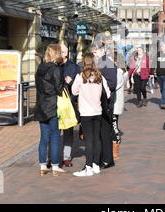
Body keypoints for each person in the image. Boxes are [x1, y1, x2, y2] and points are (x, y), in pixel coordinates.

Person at [72, 53, 111, 177]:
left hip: (85, 112)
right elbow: (108, 94)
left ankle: (88, 167)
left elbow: (74, 91)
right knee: (97, 139)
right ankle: (95, 165)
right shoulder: (100, 76)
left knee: (88, 140)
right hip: (97, 111)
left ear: (84, 62)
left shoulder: (80, 76)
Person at [34, 44, 66, 176]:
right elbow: (59, 89)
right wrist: (65, 82)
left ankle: (42, 165)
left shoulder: (40, 68)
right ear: (57, 54)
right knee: (54, 137)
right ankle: (55, 166)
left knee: (43, 138)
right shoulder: (55, 69)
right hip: (53, 105)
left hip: (41, 105)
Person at [92, 44, 117, 169]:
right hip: (98, 102)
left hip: (106, 103)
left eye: (95, 52)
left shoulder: (107, 63)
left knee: (105, 132)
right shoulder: (99, 63)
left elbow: (112, 84)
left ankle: (107, 159)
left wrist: (96, 82)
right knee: (100, 132)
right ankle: (102, 158)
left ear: (100, 51)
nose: (94, 54)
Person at [59, 43, 80, 168]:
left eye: (59, 51)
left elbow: (76, 86)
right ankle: (53, 157)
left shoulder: (73, 67)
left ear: (65, 54)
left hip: (68, 104)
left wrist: (73, 98)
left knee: (68, 132)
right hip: (55, 104)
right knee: (55, 132)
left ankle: (66, 157)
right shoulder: (53, 66)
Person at [113, 52, 128, 160]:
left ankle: (116, 146)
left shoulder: (118, 72)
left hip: (115, 103)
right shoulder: (122, 72)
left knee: (114, 125)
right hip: (117, 102)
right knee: (114, 124)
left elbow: (114, 86)